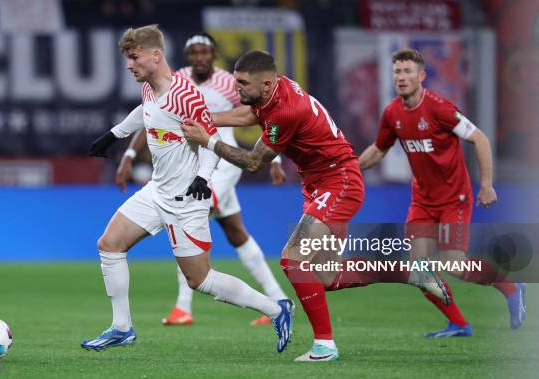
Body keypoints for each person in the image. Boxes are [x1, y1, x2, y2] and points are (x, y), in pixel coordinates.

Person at [182, 50, 450, 362]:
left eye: (242, 83)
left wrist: (208, 140)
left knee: (293, 259)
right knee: (326, 277)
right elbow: (249, 115)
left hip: (339, 183)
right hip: (321, 184)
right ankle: (411, 273)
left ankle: (325, 346)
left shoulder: (287, 110)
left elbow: (254, 162)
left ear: (267, 84)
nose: (236, 88)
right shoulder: (274, 93)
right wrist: (206, 118)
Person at [81, 26, 294, 353]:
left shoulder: (185, 96)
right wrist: (113, 135)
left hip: (185, 200)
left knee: (201, 280)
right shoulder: (151, 87)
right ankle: (121, 327)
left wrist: (203, 178)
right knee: (109, 245)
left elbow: (212, 139)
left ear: (155, 56)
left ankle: (276, 308)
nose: (129, 64)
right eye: (127, 58)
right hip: (157, 191)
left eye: (134, 57)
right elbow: (145, 113)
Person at [357, 49, 527, 336]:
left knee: (454, 265)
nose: (401, 77)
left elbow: (480, 139)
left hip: (454, 199)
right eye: (397, 71)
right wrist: (349, 168)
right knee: (419, 272)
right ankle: (459, 324)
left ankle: (511, 287)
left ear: (421, 76)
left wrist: (486, 184)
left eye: (408, 71)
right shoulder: (393, 113)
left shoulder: (440, 109)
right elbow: (378, 150)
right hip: (422, 200)